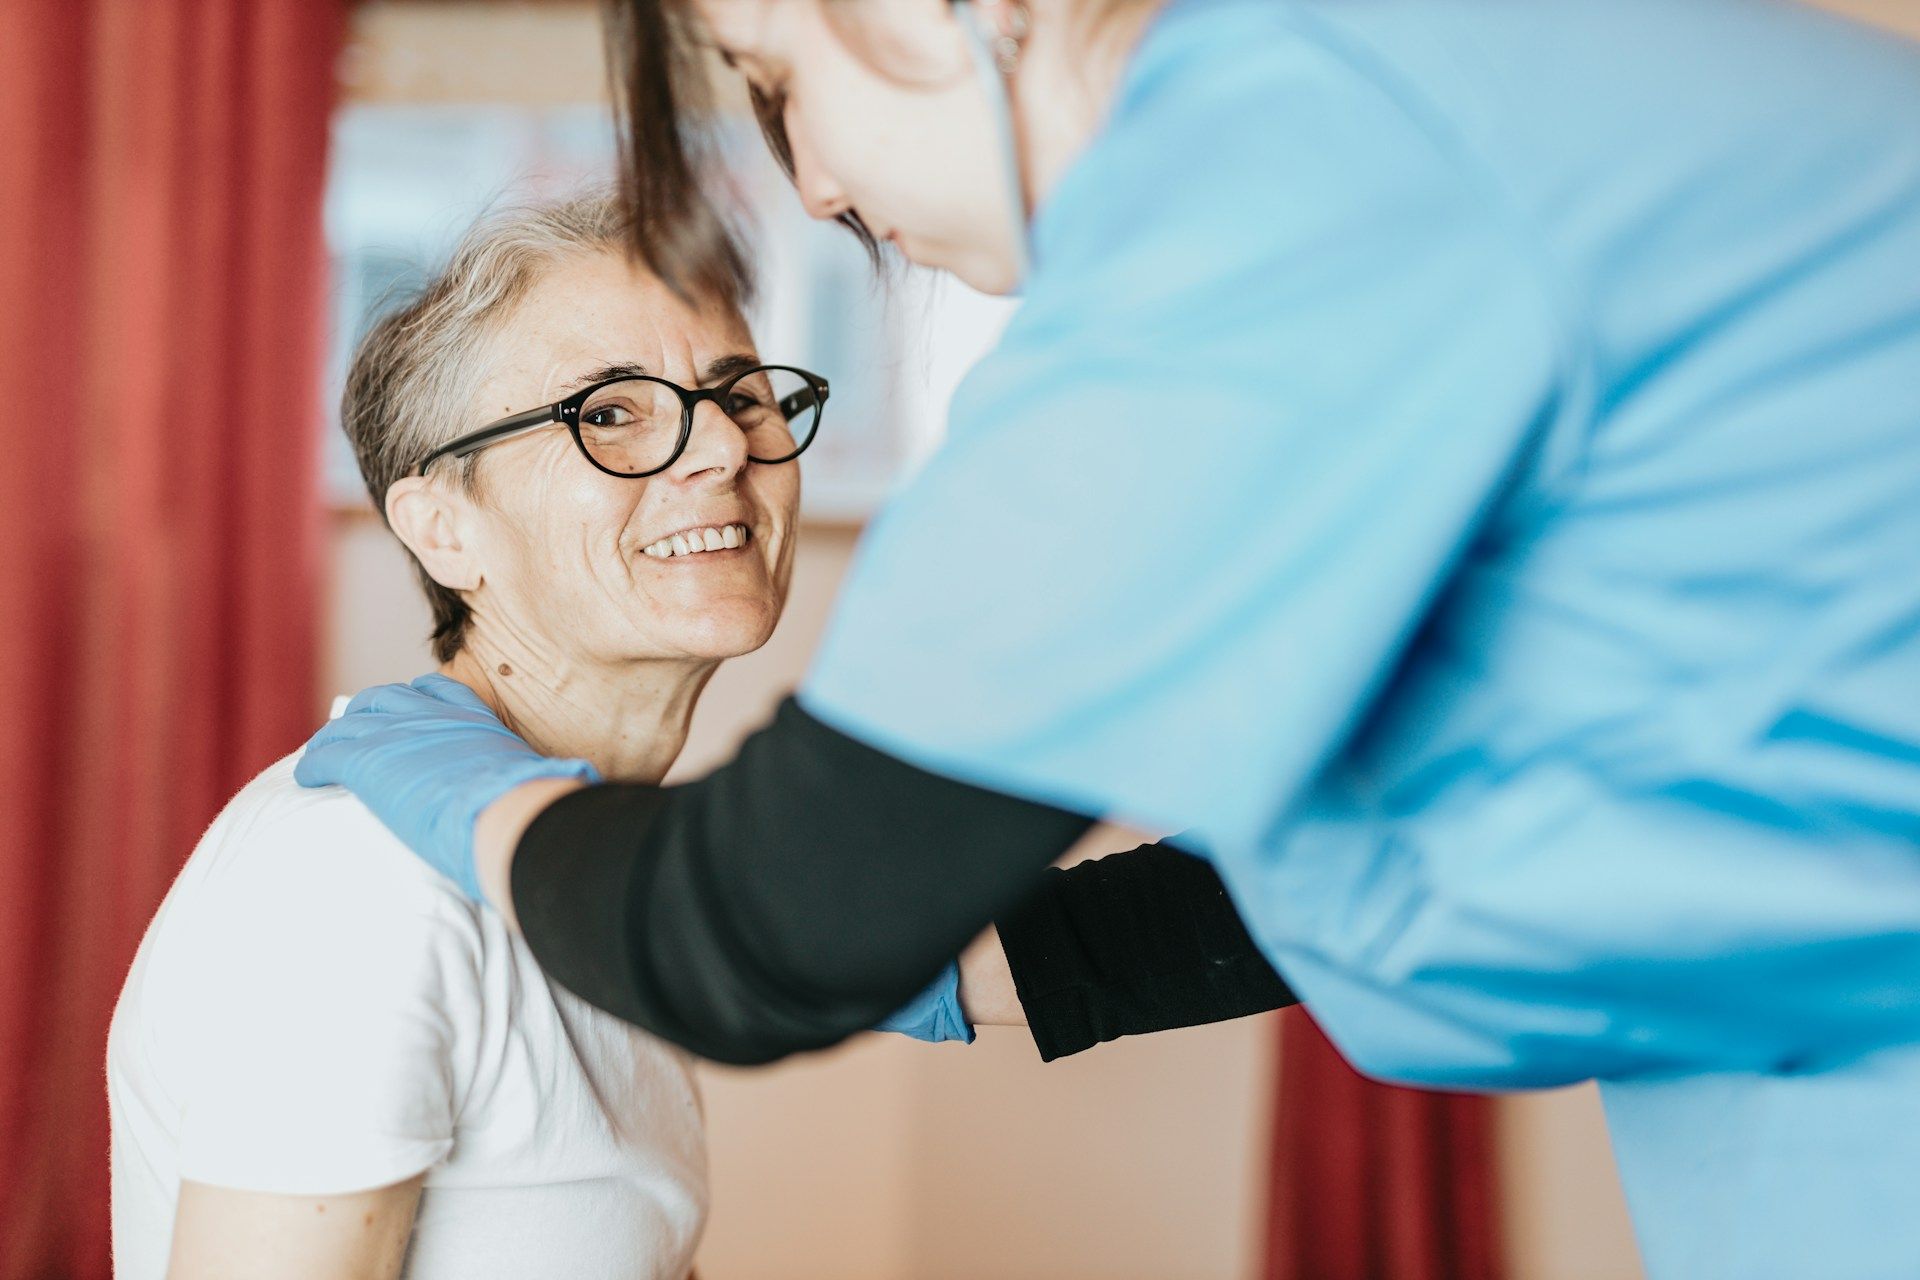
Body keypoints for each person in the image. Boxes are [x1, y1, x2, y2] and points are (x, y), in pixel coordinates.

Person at [298, 1, 1920, 1275]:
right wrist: (873, 934)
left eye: (781, 82)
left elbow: (767, 924)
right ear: (438, 519)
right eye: (608, 414)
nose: (821, 189)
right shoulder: (1389, 95)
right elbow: (1308, 881)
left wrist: (473, 790)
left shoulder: (1296, 172)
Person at [112, 192, 812, 1279]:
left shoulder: (603, 857)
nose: (722, 446)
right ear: (445, 531)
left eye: (739, 395)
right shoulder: (362, 881)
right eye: (608, 412)